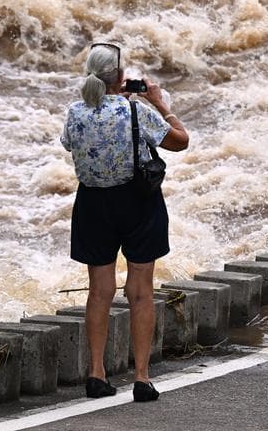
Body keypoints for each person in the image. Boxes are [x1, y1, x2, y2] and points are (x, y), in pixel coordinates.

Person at [60, 42, 189, 402]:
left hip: (92, 205)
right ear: (120, 78)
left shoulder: (74, 112)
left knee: (99, 291)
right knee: (140, 291)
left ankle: (97, 375)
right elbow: (180, 142)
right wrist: (161, 104)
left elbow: (69, 145)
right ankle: (142, 379)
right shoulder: (134, 112)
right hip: (137, 203)